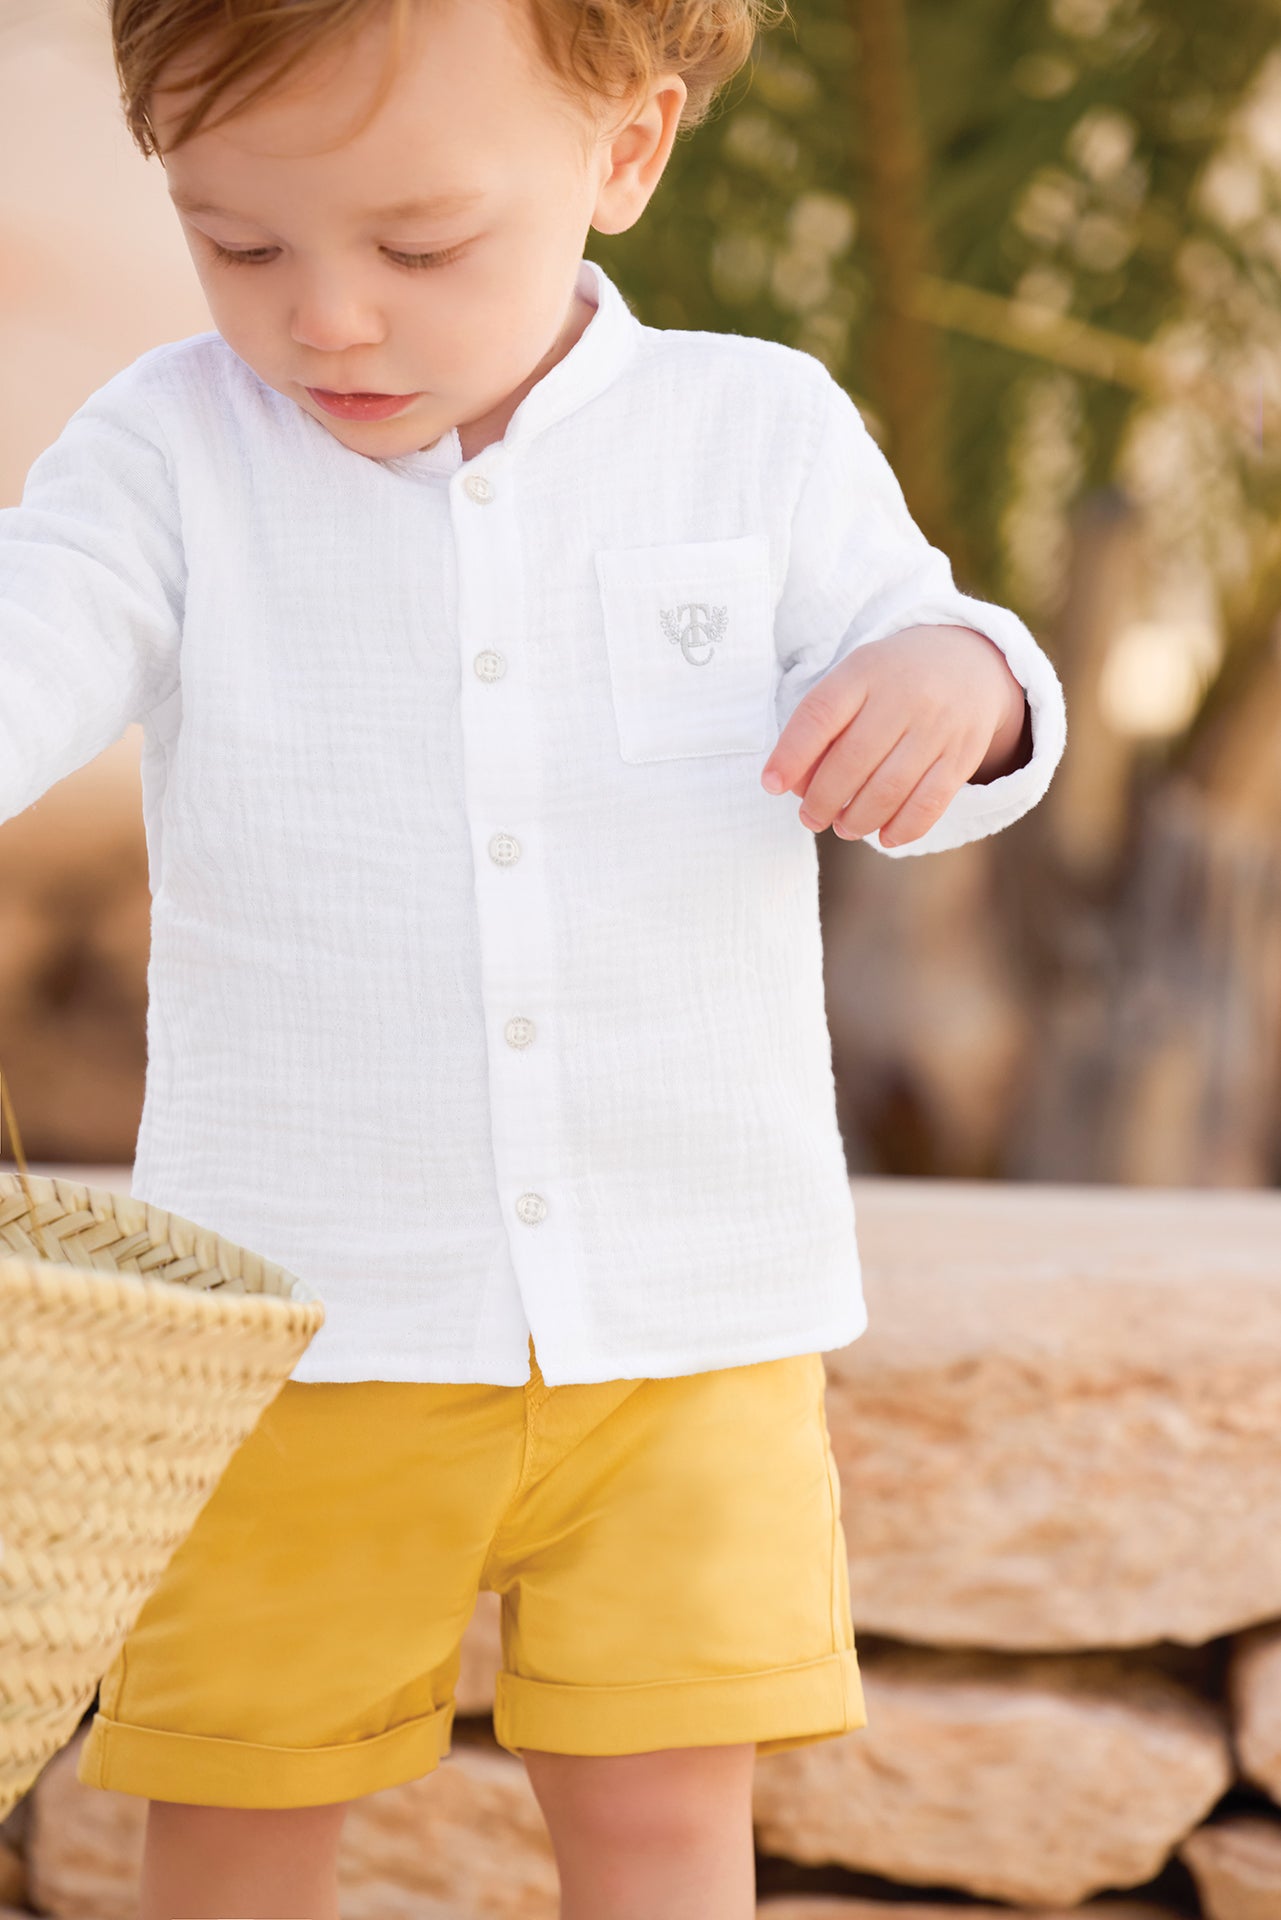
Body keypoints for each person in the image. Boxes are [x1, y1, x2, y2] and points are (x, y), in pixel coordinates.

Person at [0, 0, 1067, 1913]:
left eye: (420, 247)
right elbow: (32, 641)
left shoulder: (755, 430)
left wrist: (961, 682)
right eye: (237, 241)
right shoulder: (168, 449)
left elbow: (935, 649)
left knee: (664, 1820)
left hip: (688, 1322)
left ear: (626, 153)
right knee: (238, 1807)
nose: (326, 318)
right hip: (307, 1329)